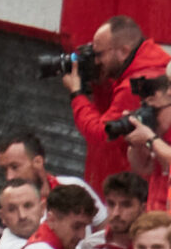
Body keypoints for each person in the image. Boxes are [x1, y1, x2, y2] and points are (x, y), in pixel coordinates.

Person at [66, 15, 171, 183]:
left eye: (99, 54)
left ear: (124, 51)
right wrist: (100, 83)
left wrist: (76, 93)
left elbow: (103, 135)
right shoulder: (154, 64)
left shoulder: (134, 85)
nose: (96, 61)